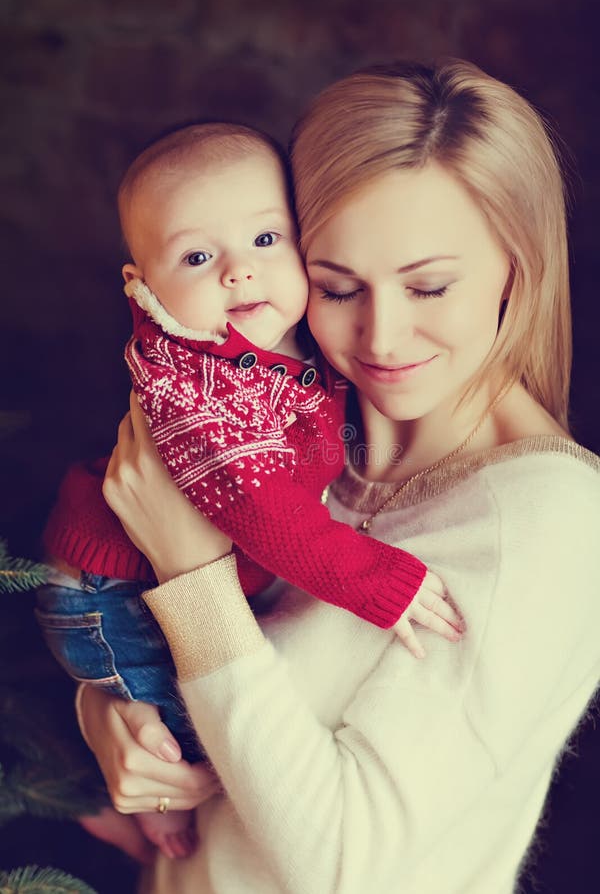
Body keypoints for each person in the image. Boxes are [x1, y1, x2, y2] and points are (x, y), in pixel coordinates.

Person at [76, 59, 599, 893]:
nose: (383, 337)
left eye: (429, 285)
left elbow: (344, 866)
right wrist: (112, 715)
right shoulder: (302, 427)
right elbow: (241, 707)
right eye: (337, 285)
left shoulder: (546, 523)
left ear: (518, 262)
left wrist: (192, 574)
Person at [36, 121, 458, 859]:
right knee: (192, 722)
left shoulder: (272, 342)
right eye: (198, 256)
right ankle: (111, 803)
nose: (239, 272)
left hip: (155, 571)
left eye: (266, 240)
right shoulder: (199, 391)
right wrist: (380, 583)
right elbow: (273, 518)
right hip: (109, 591)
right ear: (142, 286)